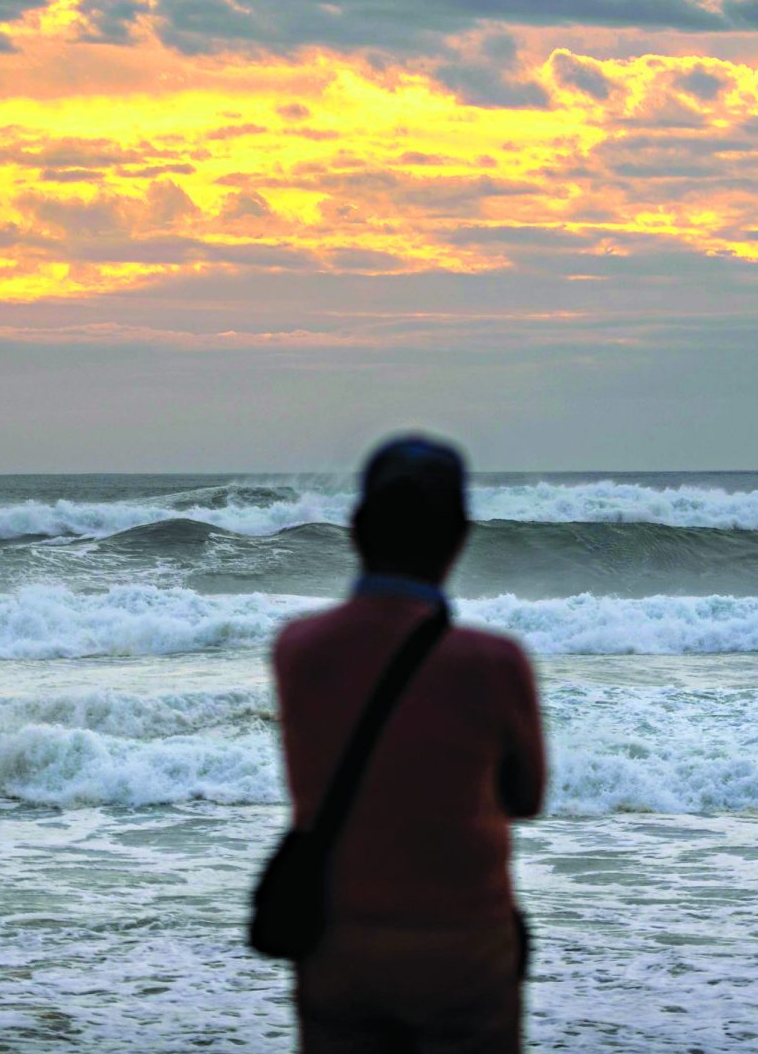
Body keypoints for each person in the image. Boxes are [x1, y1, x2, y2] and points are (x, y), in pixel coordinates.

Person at [271, 434, 546, 1053]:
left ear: (358, 528)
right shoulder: (494, 663)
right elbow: (526, 797)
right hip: (464, 943)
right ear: (458, 537)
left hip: (337, 940)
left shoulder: (299, 649)